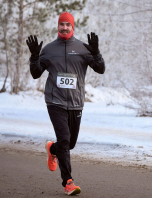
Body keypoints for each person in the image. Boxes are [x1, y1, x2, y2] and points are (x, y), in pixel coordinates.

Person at [26, 12, 105, 195]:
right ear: (58, 26)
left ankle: (52, 148)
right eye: (62, 24)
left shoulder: (83, 48)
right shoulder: (49, 49)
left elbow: (100, 69)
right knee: (64, 139)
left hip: (76, 102)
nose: (64, 27)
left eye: (68, 25)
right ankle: (68, 182)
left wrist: (96, 53)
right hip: (55, 101)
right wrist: (35, 57)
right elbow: (36, 73)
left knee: (68, 144)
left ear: (73, 27)